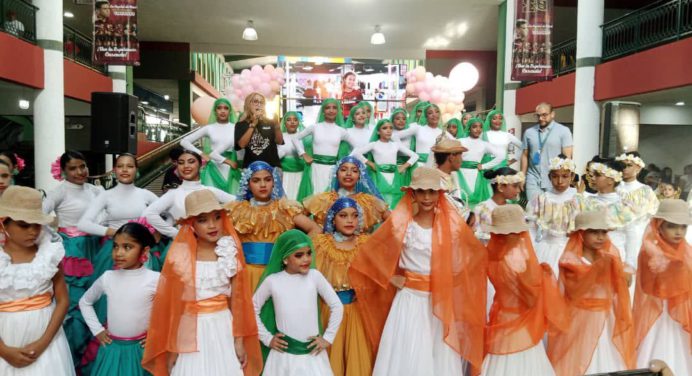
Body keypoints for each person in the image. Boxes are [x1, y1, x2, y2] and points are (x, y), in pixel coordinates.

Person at [349, 167, 487, 375]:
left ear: (440, 194)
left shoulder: (451, 227)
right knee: (408, 349)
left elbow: (468, 258)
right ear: (412, 194)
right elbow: (370, 253)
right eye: (421, 191)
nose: (427, 197)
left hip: (439, 301)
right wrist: (390, 277)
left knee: (437, 352)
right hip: (409, 299)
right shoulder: (402, 224)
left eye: (432, 191)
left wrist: (452, 279)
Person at [142, 190, 262, 376]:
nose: (212, 225)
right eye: (202, 220)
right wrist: (173, 348)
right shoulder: (181, 255)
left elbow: (238, 301)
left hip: (223, 325)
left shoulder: (229, 251)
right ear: (191, 224)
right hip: (190, 329)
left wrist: (238, 341)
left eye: (216, 217)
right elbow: (174, 306)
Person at [481, 205, 568, 376]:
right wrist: (542, 275)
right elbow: (530, 297)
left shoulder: (491, 257)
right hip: (520, 321)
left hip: (501, 316)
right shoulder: (519, 259)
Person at [548, 210, 635, 376]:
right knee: (579, 356)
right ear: (580, 234)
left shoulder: (609, 259)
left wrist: (621, 274)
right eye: (594, 232)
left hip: (606, 319)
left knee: (608, 355)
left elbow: (621, 286)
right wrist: (608, 267)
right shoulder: (569, 261)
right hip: (579, 320)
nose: (600, 236)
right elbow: (577, 287)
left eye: (603, 232)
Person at [0, 186, 74, 375]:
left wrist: (43, 343)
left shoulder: (49, 254)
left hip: (47, 339)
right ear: (3, 224)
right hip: (4, 338)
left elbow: (63, 301)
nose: (32, 231)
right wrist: (4, 350)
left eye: (37, 224)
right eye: (24, 225)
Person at [42, 151, 104, 368]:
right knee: (75, 304)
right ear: (63, 171)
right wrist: (57, 237)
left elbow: (106, 214)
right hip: (72, 253)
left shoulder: (97, 190)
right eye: (73, 168)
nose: (80, 172)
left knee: (97, 300)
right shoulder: (58, 192)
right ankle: (72, 361)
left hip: (96, 247)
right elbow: (39, 217)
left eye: (83, 166)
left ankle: (91, 362)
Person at [253, 230, 344, 375]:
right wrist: (267, 338)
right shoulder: (273, 281)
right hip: (283, 358)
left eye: (309, 253)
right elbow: (252, 308)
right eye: (299, 255)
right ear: (285, 259)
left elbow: (337, 306)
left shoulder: (315, 277)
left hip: (312, 356)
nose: (306, 259)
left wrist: (327, 338)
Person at [78, 223, 159, 376]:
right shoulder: (108, 277)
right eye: (115, 246)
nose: (119, 253)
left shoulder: (155, 279)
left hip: (141, 351)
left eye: (127, 247)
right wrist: (98, 330)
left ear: (145, 250)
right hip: (112, 350)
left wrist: (157, 333)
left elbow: (172, 310)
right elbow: (85, 302)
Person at [225, 161, 321, 290]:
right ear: (248, 183)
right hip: (246, 272)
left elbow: (315, 229)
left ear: (274, 182)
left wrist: (296, 251)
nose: (263, 184)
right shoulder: (237, 210)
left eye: (267, 179)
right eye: (256, 180)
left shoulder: (284, 209)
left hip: (277, 272)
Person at [313, 197, 373, 375]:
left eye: (354, 216)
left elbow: (376, 275)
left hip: (356, 312)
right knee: (331, 359)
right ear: (332, 218)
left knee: (356, 356)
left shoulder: (365, 243)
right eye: (343, 215)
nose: (350, 220)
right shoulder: (322, 245)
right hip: (328, 312)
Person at [633, 199, 692, 375]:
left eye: (683, 227)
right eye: (672, 226)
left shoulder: (687, 250)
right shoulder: (650, 250)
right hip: (658, 311)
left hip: (682, 310)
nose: (679, 232)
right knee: (658, 343)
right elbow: (647, 285)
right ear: (659, 226)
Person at [143, 150, 235, 240]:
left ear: (200, 165)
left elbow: (239, 203)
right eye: (181, 163)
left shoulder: (210, 191)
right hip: (183, 247)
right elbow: (148, 214)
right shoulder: (173, 194)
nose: (186, 166)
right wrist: (175, 233)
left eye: (191, 162)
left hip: (212, 246)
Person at [578, 158, 638, 279]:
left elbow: (632, 236)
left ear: (611, 180)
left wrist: (629, 266)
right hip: (589, 259)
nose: (592, 178)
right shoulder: (586, 202)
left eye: (598, 175)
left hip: (616, 258)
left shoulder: (624, 204)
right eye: (592, 175)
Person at [303, 156, 388, 234]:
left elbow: (394, 220)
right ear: (336, 173)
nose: (348, 173)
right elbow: (297, 217)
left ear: (359, 176)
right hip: (327, 248)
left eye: (354, 171)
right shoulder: (323, 199)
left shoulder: (368, 202)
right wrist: (315, 230)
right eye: (343, 170)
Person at [526, 155, 581, 275]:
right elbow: (531, 229)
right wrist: (532, 252)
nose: (560, 181)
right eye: (555, 176)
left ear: (572, 177)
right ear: (549, 177)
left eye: (565, 176)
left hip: (572, 250)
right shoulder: (541, 200)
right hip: (546, 249)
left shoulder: (579, 200)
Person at [293, 99, 357, 195]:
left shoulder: (341, 131)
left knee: (330, 199)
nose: (331, 110)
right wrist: (303, 154)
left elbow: (357, 146)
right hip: (315, 169)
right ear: (323, 111)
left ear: (338, 111)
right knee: (315, 199)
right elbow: (295, 138)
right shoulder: (314, 127)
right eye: (328, 108)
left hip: (332, 170)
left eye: (334, 108)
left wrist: (345, 161)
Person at [351, 119, 418, 208]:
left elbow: (415, 156)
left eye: (391, 128)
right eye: (384, 128)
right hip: (378, 176)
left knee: (395, 199)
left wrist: (403, 167)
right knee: (380, 200)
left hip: (395, 177)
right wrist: (370, 164)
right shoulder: (374, 144)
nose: (388, 130)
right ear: (378, 131)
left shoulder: (396, 145)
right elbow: (356, 153)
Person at [181, 98, 241, 194]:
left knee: (234, 203)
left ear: (230, 111)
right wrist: (201, 154)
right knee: (212, 203)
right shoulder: (209, 128)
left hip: (232, 169)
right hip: (213, 168)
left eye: (226, 108)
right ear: (215, 111)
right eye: (219, 108)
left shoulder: (236, 128)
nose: (222, 111)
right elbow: (184, 141)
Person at [521, 102, 573, 202]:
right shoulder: (529, 132)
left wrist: (565, 179)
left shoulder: (563, 131)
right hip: (533, 178)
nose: (541, 118)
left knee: (552, 210)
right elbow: (524, 155)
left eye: (544, 115)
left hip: (554, 179)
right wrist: (522, 176)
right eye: (538, 115)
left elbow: (567, 158)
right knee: (534, 209)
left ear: (552, 114)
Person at [616, 152, 659, 268]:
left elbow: (651, 216)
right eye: (622, 165)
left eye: (629, 165)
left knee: (632, 265)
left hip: (635, 235)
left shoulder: (645, 190)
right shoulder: (614, 188)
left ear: (638, 168)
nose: (625, 169)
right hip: (614, 233)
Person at [458, 118, 503, 209]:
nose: (478, 129)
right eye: (474, 127)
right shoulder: (460, 141)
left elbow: (501, 156)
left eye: (480, 127)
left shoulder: (484, 144)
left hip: (476, 176)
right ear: (469, 128)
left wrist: (484, 166)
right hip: (460, 174)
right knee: (460, 199)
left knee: (476, 202)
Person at [473, 168, 524, 244]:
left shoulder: (513, 210)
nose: (519, 190)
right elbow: (474, 234)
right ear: (500, 187)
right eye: (515, 186)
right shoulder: (481, 209)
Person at [235, 92, 284, 168]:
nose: (259, 104)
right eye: (255, 101)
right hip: (251, 168)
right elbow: (241, 145)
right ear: (248, 104)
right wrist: (253, 124)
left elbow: (279, 141)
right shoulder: (241, 124)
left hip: (272, 168)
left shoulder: (270, 122)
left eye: (262, 102)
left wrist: (277, 125)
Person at [431, 137, 472, 221]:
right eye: (460, 156)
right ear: (452, 156)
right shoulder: (432, 180)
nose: (462, 160)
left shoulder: (454, 176)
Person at [277, 111, 313, 201]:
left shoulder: (304, 137)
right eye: (289, 120)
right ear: (284, 123)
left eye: (295, 120)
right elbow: (274, 156)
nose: (292, 122)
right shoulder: (280, 137)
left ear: (298, 122)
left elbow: (308, 155)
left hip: (300, 173)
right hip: (284, 174)